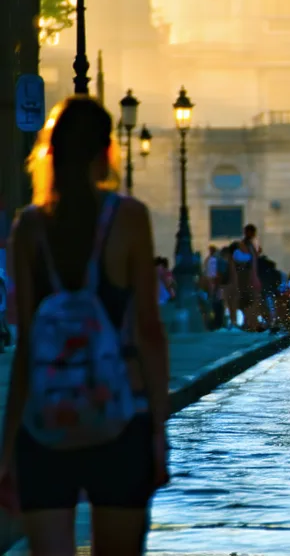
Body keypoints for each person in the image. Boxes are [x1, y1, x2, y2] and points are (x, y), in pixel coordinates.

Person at [0, 97, 170, 553]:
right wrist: (158, 429)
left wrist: (8, 448)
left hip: (45, 420)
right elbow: (149, 331)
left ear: (49, 153)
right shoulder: (129, 218)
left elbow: (28, 347)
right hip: (120, 416)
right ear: (108, 151)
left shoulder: (29, 228)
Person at [232, 226, 264, 332]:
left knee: (251, 300)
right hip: (247, 277)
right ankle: (251, 324)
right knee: (249, 300)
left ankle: (250, 323)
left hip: (252, 276)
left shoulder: (250, 244)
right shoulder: (244, 244)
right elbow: (242, 259)